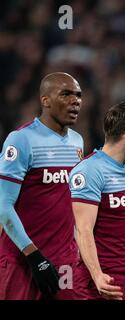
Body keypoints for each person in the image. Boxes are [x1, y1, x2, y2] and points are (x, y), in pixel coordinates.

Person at [0, 72, 84, 299]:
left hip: (64, 261)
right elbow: (3, 207)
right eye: (65, 94)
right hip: (23, 259)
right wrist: (34, 256)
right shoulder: (21, 140)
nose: (75, 100)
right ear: (45, 100)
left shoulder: (77, 141)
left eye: (78, 95)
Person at [70, 101, 125, 300]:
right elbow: (83, 231)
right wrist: (98, 276)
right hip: (98, 284)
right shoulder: (90, 171)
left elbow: (123, 224)